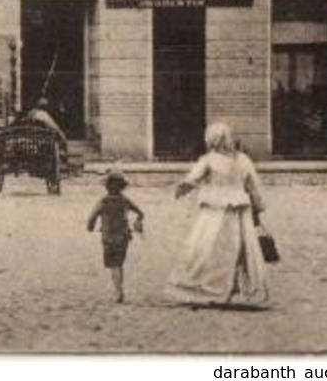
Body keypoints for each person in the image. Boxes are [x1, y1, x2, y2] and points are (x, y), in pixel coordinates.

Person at [167, 122, 269, 307]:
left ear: (211, 139)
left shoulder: (208, 160)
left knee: (207, 248)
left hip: (214, 210)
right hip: (239, 210)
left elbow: (192, 178)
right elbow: (254, 187)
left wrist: (183, 188)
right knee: (238, 249)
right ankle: (232, 289)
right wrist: (258, 208)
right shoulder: (244, 159)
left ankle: (207, 288)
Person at [88, 168, 145, 302]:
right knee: (118, 264)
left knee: (113, 265)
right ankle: (119, 290)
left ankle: (118, 290)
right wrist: (138, 222)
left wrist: (90, 226)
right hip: (123, 236)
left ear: (107, 186)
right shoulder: (125, 200)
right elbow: (140, 213)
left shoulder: (103, 201)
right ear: (122, 187)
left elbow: (92, 216)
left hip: (108, 237)